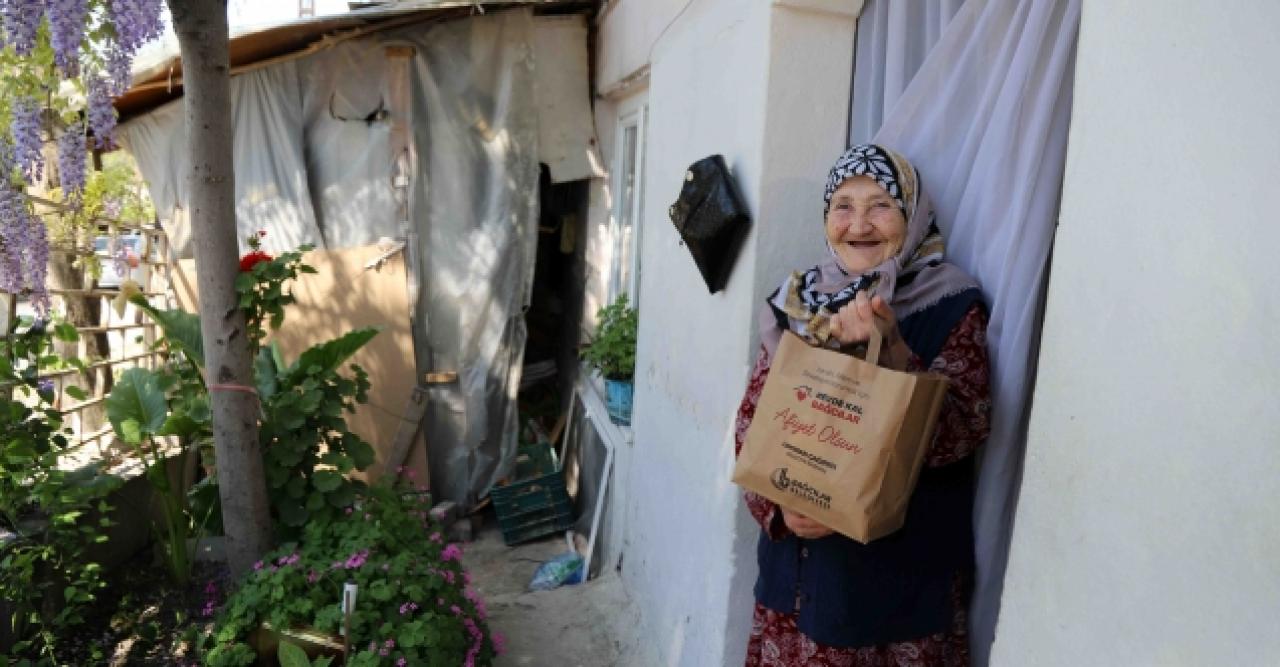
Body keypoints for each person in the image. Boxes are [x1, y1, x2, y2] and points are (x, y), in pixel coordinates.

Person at [737, 144, 992, 666]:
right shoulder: (797, 304)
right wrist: (783, 507)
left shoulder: (951, 303)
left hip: (898, 601)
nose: (859, 224)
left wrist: (893, 349)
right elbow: (752, 428)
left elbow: (964, 431)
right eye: (843, 206)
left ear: (914, 215)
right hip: (797, 589)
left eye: (880, 205)